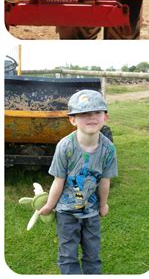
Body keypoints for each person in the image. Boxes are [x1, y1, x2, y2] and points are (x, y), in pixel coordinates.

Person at [38, 89, 118, 275]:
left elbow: (105, 181)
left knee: (93, 254)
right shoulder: (65, 147)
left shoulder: (108, 149)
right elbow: (59, 180)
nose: (91, 117)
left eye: (97, 112)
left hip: (91, 213)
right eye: (84, 113)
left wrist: (103, 205)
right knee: (68, 255)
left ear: (105, 117)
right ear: (72, 119)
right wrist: (50, 205)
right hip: (66, 213)